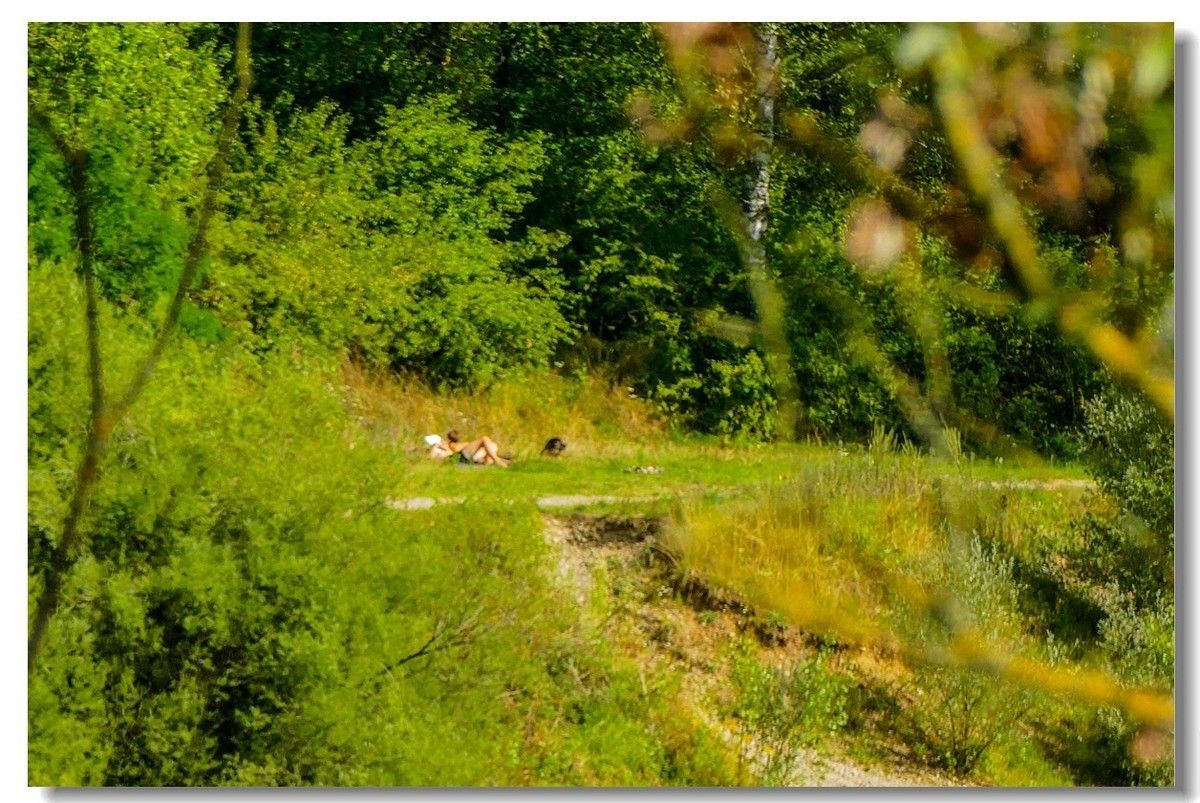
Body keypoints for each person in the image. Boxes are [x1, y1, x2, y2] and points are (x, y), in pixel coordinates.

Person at [427, 429, 511, 467]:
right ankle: (497, 461)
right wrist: (436, 446)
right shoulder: (441, 451)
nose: (443, 442)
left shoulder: (448, 445)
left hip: (469, 455)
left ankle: (496, 461)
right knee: (484, 439)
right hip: (462, 456)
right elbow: (432, 458)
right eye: (441, 442)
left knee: (492, 445)